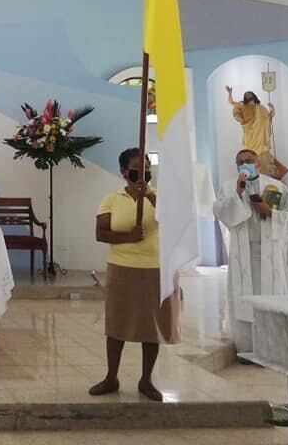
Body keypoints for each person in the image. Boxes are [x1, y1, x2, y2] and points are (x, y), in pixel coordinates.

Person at [89, 148, 177, 402]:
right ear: (124, 172)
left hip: (154, 267)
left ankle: (146, 380)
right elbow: (101, 233)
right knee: (117, 324)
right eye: (136, 170)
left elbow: (172, 219)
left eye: (146, 169)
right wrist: (128, 237)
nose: (142, 174)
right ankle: (111, 377)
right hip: (122, 267)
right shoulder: (112, 199)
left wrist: (148, 195)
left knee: (151, 327)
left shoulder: (158, 197)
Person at [213, 149, 288, 353]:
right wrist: (237, 194)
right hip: (242, 254)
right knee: (245, 302)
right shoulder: (228, 187)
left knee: (271, 298)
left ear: (258, 164)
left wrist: (268, 212)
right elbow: (221, 213)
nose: (244, 165)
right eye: (240, 162)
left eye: (249, 161)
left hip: (270, 254)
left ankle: (274, 348)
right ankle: (247, 348)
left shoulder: (276, 187)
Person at [225, 87, 287, 179]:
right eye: (246, 95)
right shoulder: (242, 105)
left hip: (261, 136)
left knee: (264, 156)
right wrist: (230, 93)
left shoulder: (261, 108)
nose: (247, 95)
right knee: (251, 154)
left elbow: (269, 117)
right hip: (250, 134)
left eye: (249, 94)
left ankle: (270, 175)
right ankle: (254, 174)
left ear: (253, 96)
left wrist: (272, 109)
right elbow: (232, 103)